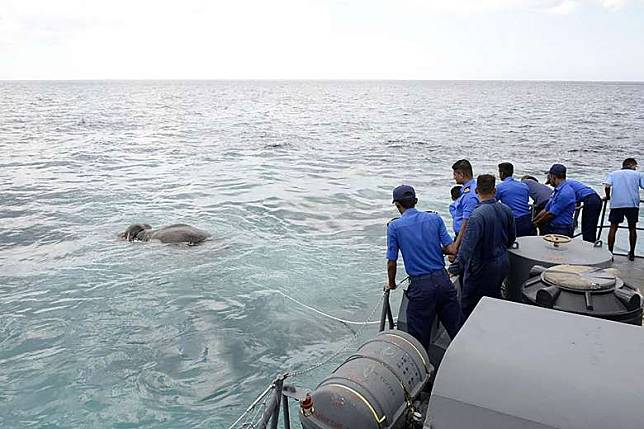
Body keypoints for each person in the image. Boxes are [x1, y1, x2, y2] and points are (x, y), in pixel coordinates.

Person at [386, 185, 463, 349]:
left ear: (397, 205)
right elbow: (451, 250)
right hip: (443, 282)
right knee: (457, 330)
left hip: (421, 289)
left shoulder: (394, 227)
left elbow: (391, 262)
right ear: (416, 201)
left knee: (418, 341)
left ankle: (425, 371)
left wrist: (391, 284)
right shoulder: (434, 218)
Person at [448, 175, 516, 316]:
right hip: (502, 263)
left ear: (476, 190)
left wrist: (454, 268)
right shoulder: (506, 210)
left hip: (482, 269)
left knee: (469, 306)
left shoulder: (476, 216)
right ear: (495, 190)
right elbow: (511, 238)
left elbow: (467, 249)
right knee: (493, 299)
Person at [603, 158, 644, 260]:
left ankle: (610, 253)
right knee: (632, 228)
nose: (635, 168)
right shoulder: (638, 174)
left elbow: (607, 186)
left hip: (617, 203)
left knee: (613, 228)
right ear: (630, 165)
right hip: (632, 204)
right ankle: (632, 253)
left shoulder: (613, 174)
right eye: (635, 166)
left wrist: (608, 196)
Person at [533, 164, 576, 237]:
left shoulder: (565, 193)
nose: (549, 180)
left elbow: (551, 214)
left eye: (549, 177)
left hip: (561, 229)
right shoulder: (557, 190)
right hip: (553, 227)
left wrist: (536, 224)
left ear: (553, 177)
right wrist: (533, 221)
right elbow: (546, 209)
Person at [496, 162, 533, 236]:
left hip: (513, 221)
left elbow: (491, 202)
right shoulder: (524, 186)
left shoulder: (500, 187)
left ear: (502, 173)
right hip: (527, 219)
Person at [451, 159, 480, 251]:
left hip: (465, 237)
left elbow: (467, 222)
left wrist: (456, 245)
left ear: (462, 175)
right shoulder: (473, 187)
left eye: (455, 174)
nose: (453, 177)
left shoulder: (469, 195)